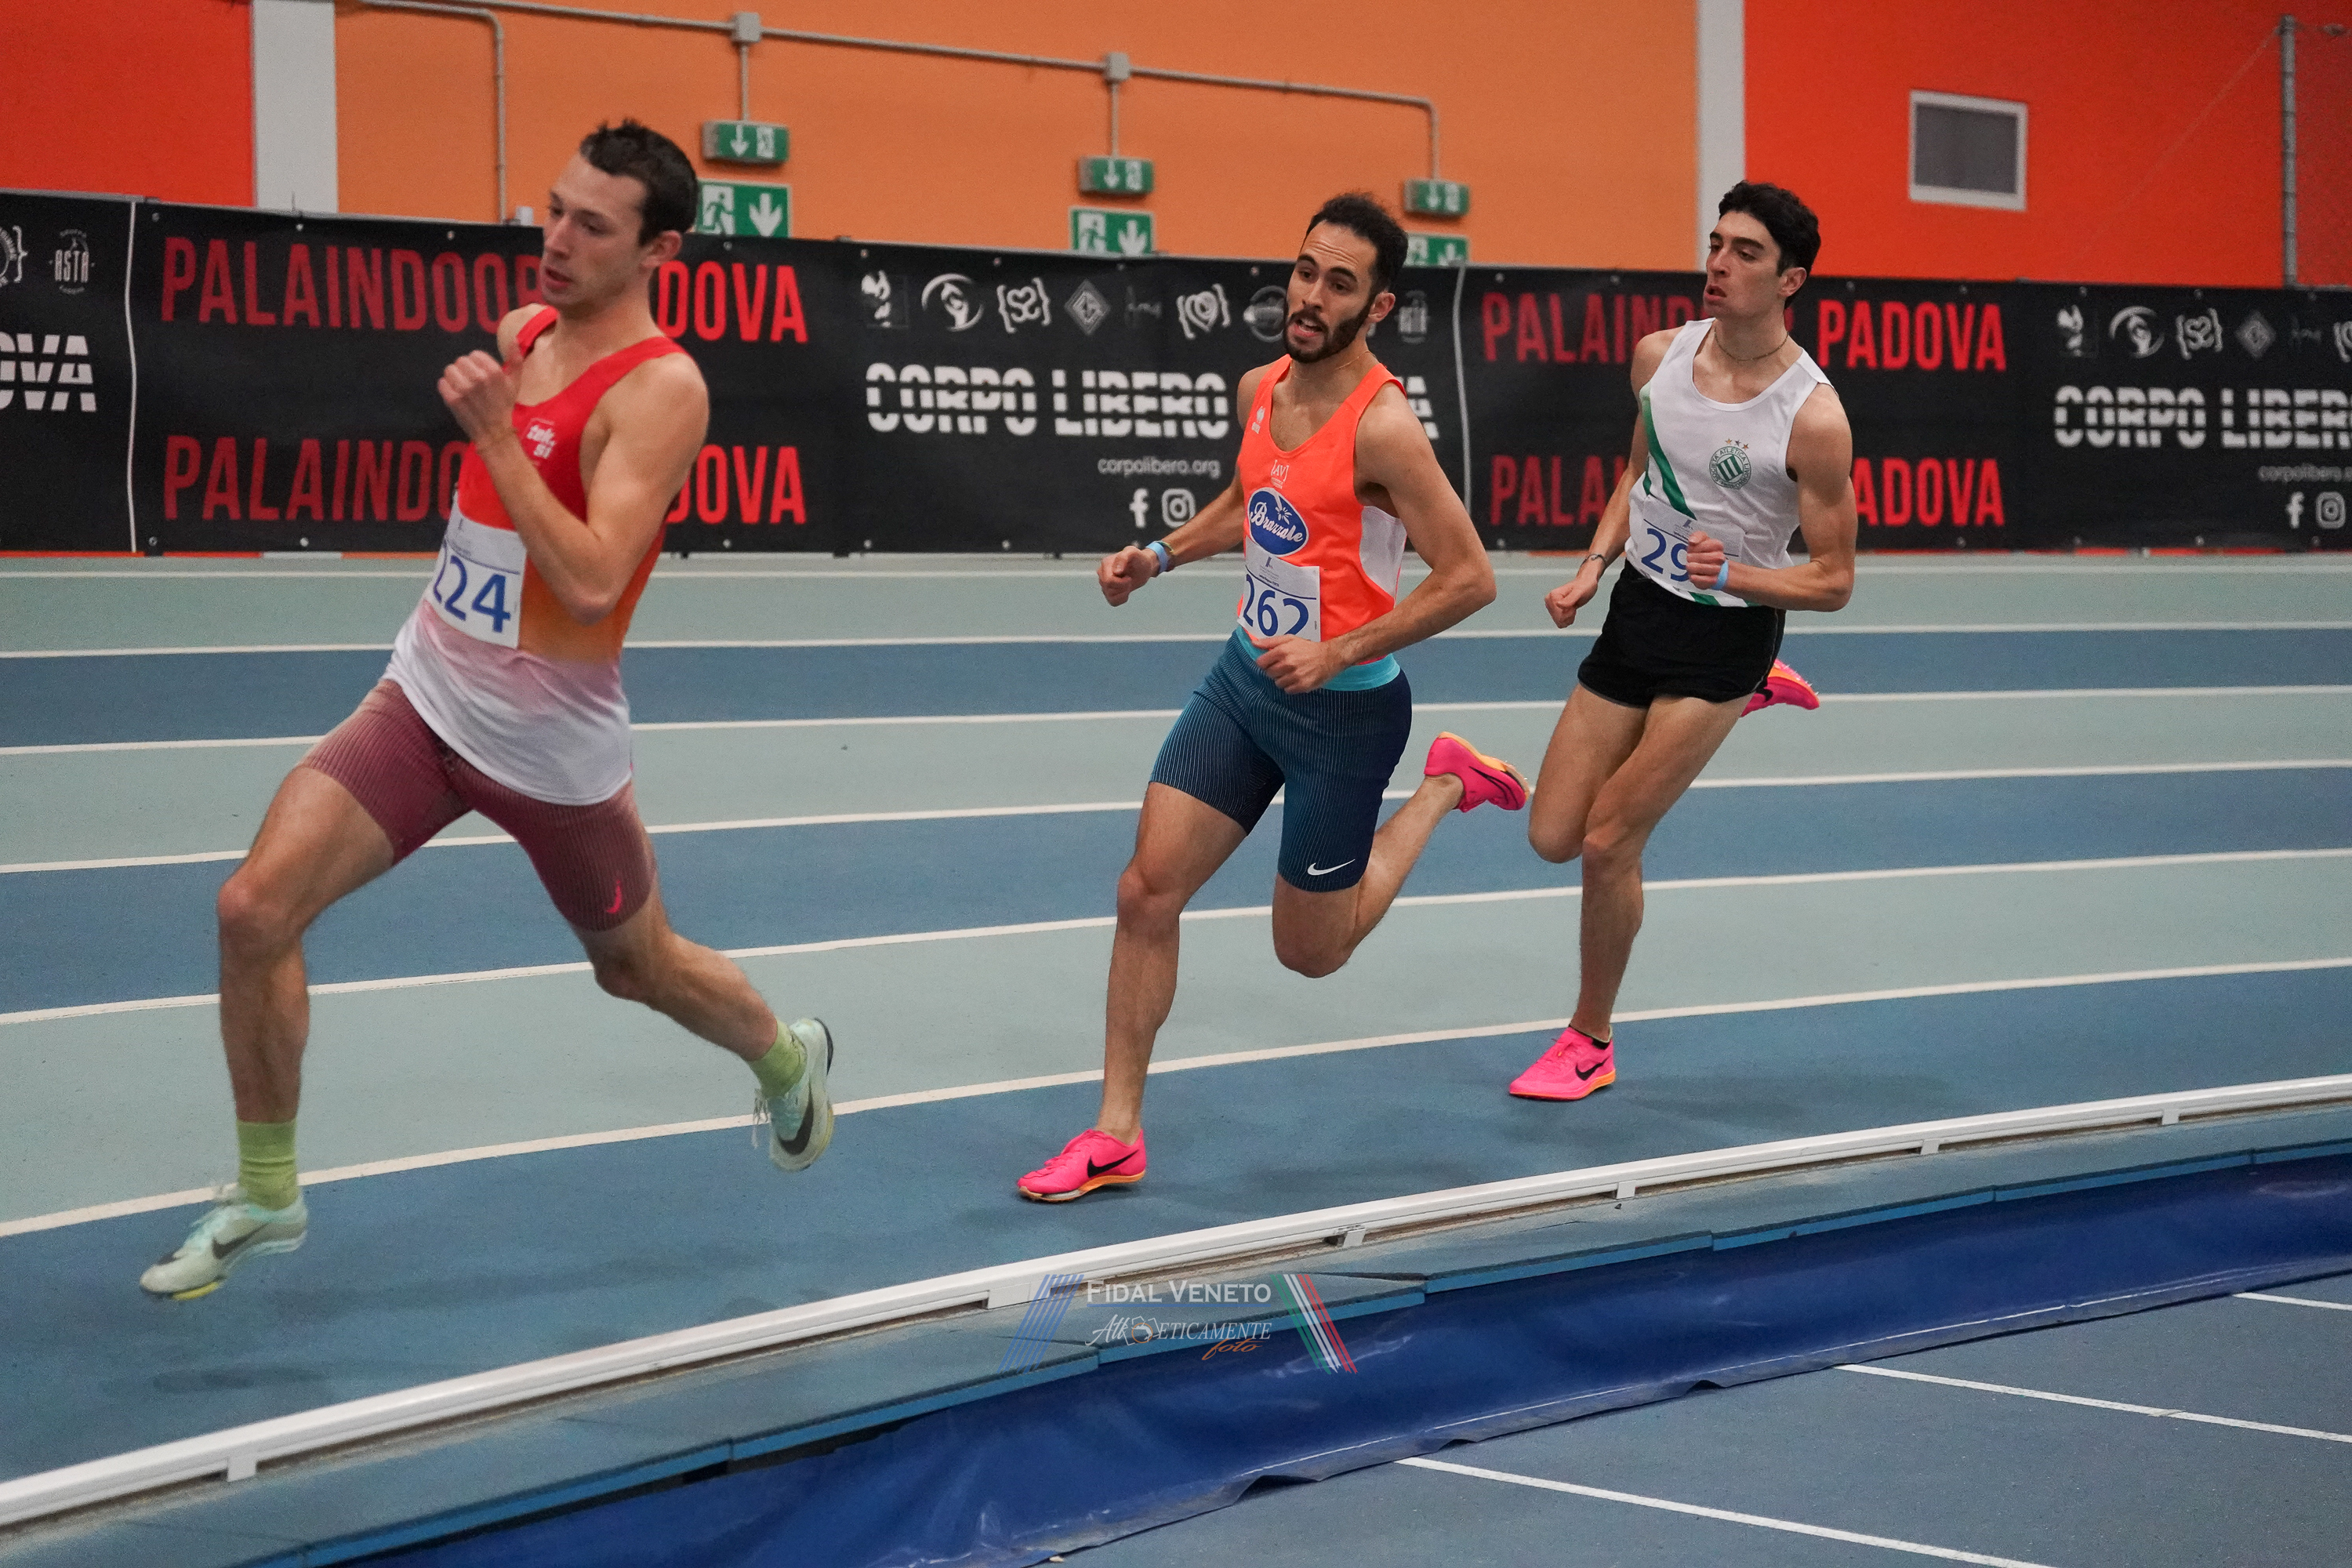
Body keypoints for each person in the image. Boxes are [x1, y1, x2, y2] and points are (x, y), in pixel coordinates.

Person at [140, 122, 833, 1302]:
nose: (555, 240)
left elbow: (595, 580)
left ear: (658, 250)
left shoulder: (663, 389)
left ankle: (784, 1059)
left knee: (637, 967)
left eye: (591, 225)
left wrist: (503, 437)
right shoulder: (526, 332)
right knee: (253, 908)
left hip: (552, 747)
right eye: (553, 209)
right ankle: (267, 1192)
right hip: (426, 696)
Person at [1017, 194, 1528, 1203]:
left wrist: (1339, 651)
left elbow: (1470, 576)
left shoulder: (1385, 429)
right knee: (1145, 890)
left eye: (1339, 283)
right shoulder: (1260, 385)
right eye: (1304, 270)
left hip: (1345, 713)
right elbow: (1254, 502)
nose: (1310, 295)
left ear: (1376, 307)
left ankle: (1443, 786)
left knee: (1311, 953)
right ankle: (1116, 1131)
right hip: (1245, 683)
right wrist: (1160, 553)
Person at [1510, 182, 1855, 1103]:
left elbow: (1834, 580)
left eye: (1746, 252)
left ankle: (1590, 1038)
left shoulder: (1812, 415)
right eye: (1716, 244)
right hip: (1638, 610)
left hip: (1725, 638)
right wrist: (1592, 565)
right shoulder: (1658, 357)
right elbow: (1638, 475)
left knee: (1607, 842)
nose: (1719, 264)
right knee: (1551, 833)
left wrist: (1737, 574)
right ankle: (1751, 694)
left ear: (1791, 280)